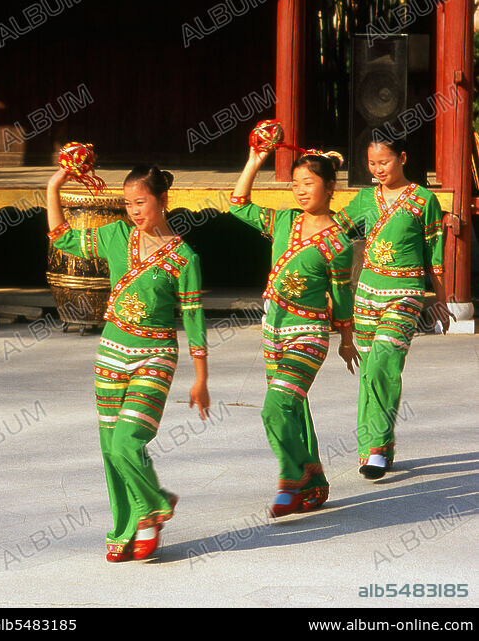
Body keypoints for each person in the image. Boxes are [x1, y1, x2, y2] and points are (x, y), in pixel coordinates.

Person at [46, 164, 210, 561]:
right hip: (111, 354)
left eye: (141, 202)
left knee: (126, 441)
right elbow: (62, 240)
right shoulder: (115, 235)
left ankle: (152, 507)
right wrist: (55, 184)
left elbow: (194, 319)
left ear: (162, 201)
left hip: (156, 356)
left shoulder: (186, 258)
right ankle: (126, 528)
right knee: (110, 446)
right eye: (128, 203)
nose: (134, 211)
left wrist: (201, 380)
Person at [229, 146, 359, 518]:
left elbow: (341, 296)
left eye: (309, 182)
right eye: (295, 184)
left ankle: (292, 476)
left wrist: (346, 340)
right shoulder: (285, 221)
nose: (300, 191)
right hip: (274, 330)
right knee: (293, 408)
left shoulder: (338, 243)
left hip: (309, 334)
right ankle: (315, 484)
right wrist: (254, 159)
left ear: (330, 185)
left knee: (276, 407)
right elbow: (238, 205)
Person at [334, 137, 454, 480]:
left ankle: (377, 446)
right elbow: (335, 232)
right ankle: (373, 447)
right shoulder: (364, 198)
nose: (378, 170)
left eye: (384, 162)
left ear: (402, 157)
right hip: (367, 292)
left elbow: (435, 254)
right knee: (370, 369)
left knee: (386, 359)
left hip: (406, 293)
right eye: (372, 164)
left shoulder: (423, 200)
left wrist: (441, 300)